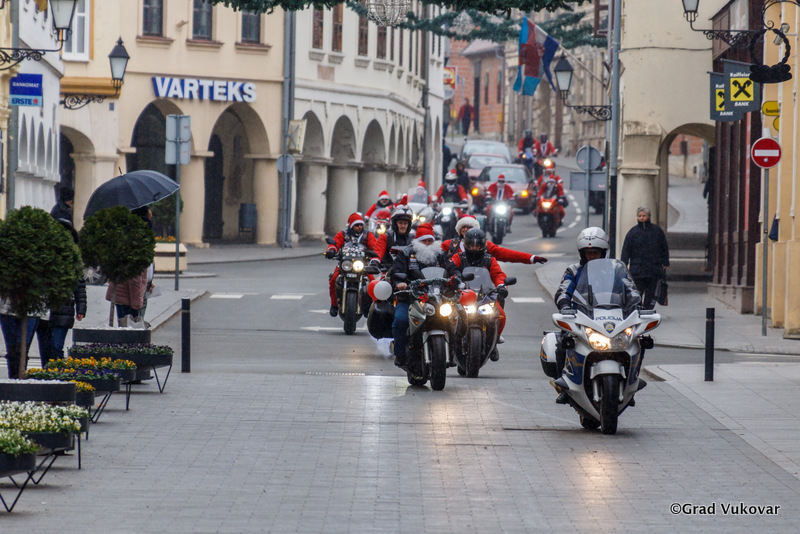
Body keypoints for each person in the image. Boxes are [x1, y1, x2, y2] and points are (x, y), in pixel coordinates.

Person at [553, 227, 640, 403]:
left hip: (613, 315)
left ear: (603, 252)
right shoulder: (574, 270)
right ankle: (563, 385)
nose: (592, 256)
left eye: (596, 252)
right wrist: (564, 306)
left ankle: (631, 384)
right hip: (583, 315)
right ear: (582, 253)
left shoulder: (616, 270)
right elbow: (563, 291)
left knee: (637, 340)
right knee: (563, 342)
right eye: (588, 253)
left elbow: (630, 288)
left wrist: (637, 303)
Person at [390, 223, 446, 370]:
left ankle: (458, 352)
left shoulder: (440, 255)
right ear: (417, 241)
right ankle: (400, 355)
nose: (427, 244)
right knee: (400, 321)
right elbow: (397, 272)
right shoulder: (406, 254)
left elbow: (451, 269)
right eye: (424, 241)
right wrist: (400, 283)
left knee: (458, 316)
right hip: (411, 297)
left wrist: (457, 279)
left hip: (436, 298)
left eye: (430, 241)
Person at [446, 228, 508, 359]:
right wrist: (457, 277)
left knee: (500, 314)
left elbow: (498, 274)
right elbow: (451, 267)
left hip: (485, 295)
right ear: (466, 244)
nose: (474, 247)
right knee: (446, 315)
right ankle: (450, 343)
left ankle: (494, 340)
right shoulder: (459, 257)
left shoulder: (489, 259)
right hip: (463, 295)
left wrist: (501, 285)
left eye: (477, 245)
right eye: (471, 244)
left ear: (482, 245)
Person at [35, 219, 87, 366]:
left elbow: (79, 285)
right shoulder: (43, 255)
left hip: (64, 308)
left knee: (56, 346)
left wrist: (81, 308)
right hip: (44, 310)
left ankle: (57, 373)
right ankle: (47, 373)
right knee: (45, 347)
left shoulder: (72, 257)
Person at [325, 212, 378, 317]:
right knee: (333, 279)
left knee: (373, 281)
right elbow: (335, 243)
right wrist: (331, 250)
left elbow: (375, 247)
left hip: (363, 264)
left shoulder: (367, 235)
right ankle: (334, 305)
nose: (359, 227)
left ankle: (372, 306)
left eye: (361, 225)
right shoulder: (343, 234)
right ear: (351, 225)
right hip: (345, 263)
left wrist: (375, 256)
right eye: (357, 225)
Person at [442, 215, 548, 266]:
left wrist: (531, 258)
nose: (465, 229)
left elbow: (506, 254)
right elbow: (436, 258)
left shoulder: (485, 245)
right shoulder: (450, 244)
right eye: (463, 227)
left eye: (469, 227)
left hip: (480, 288)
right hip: (454, 290)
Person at [620, 207, 670, 309]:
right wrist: (624, 264)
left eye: (644, 216)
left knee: (651, 295)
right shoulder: (633, 232)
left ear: (649, 216)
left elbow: (664, 247)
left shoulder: (657, 231)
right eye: (639, 216)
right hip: (637, 271)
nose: (642, 218)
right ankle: (639, 310)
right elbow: (626, 250)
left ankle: (647, 310)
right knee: (637, 294)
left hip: (653, 270)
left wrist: (665, 262)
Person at [372, 206, 414, 270]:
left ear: (409, 225)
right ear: (395, 223)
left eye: (405, 223)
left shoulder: (413, 239)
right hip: (388, 272)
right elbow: (378, 252)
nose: (403, 226)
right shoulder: (385, 237)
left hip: (409, 273)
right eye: (400, 223)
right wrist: (375, 262)